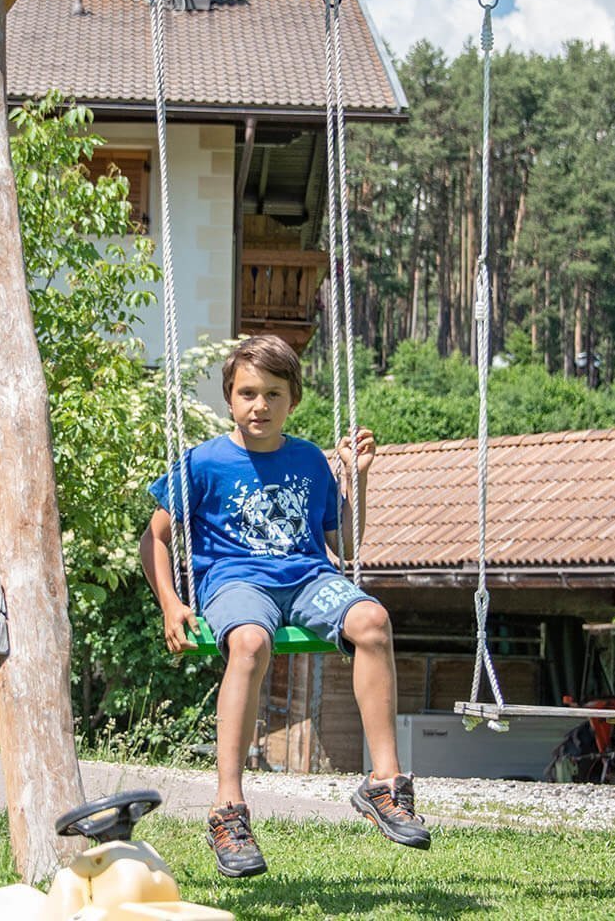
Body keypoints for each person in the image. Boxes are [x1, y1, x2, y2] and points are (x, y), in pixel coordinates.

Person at [140, 334, 429, 879]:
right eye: (248, 393)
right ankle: (228, 807)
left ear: (292, 400)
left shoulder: (308, 461)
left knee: (373, 620)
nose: (260, 405)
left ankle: (384, 783)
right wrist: (172, 604)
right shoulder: (204, 462)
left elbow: (343, 545)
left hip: (305, 578)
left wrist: (357, 479)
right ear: (230, 397)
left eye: (274, 394)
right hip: (235, 582)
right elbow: (153, 539)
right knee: (249, 642)